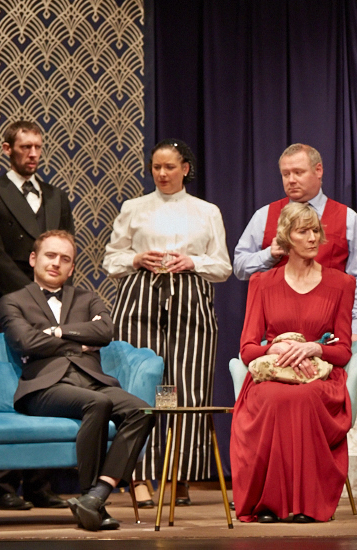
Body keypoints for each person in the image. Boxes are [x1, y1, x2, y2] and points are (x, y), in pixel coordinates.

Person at [103, 139, 232, 508]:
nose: (161, 173)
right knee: (141, 386)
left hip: (190, 302)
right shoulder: (134, 207)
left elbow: (222, 266)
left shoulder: (206, 211)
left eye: (169, 167)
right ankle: (139, 475)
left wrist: (193, 262)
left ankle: (179, 474)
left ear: (185, 169)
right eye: (156, 167)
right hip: (140, 300)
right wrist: (136, 259)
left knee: (184, 387)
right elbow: (111, 259)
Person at [0, 230, 155, 532]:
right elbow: (25, 341)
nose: (56, 263)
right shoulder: (13, 301)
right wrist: (79, 341)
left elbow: (104, 332)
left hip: (92, 380)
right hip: (45, 387)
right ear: (33, 259)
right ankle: (90, 498)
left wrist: (57, 332)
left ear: (71, 268)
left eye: (65, 259)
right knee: (98, 403)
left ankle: (95, 497)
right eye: (50, 255)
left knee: (142, 410)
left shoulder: (88, 298)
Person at [0, 119, 73, 511]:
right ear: (7, 149)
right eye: (25, 146)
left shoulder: (56, 196)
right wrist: (31, 297)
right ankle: (1, 486)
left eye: (38, 147)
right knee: (9, 386)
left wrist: (50, 295)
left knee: (50, 383)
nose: (33, 154)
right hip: (10, 299)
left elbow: (66, 249)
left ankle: (39, 485)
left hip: (54, 302)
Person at [230, 203, 355, 523]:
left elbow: (343, 351)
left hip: (318, 377)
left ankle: (307, 504)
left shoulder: (341, 284)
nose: (313, 238)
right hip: (274, 373)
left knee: (305, 398)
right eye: (303, 231)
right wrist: (276, 347)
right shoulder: (262, 283)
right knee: (274, 398)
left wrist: (314, 348)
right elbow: (247, 350)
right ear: (286, 237)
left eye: (315, 230)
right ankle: (268, 503)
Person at [233, 143, 357, 349]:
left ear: (318, 170)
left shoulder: (347, 218)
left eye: (298, 172)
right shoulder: (264, 216)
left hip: (330, 334)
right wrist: (269, 255)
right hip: (279, 339)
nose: (291, 180)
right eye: (285, 174)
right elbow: (239, 267)